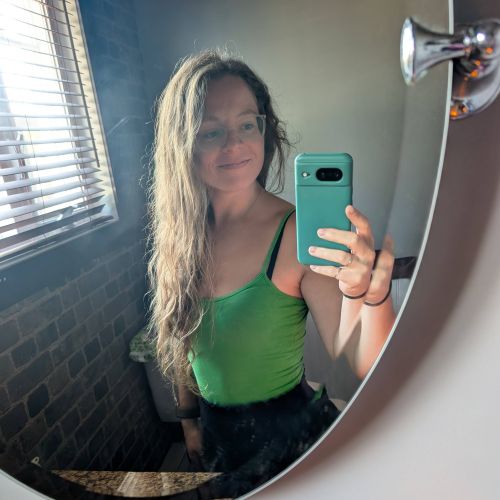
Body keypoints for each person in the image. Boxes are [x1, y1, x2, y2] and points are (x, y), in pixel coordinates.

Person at [147, 49, 395, 498]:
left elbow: (363, 362)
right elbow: (181, 342)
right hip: (219, 441)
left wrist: (372, 297)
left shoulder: (297, 235)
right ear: (182, 144)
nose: (234, 144)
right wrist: (189, 423)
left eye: (247, 124)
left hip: (292, 444)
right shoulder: (178, 237)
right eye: (211, 131)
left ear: (266, 129)